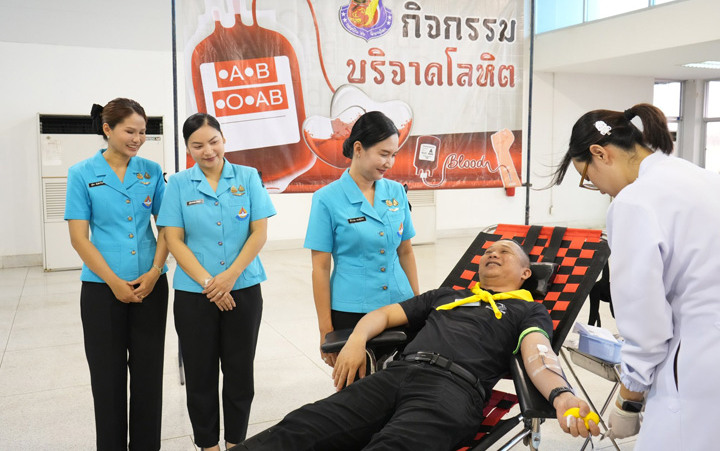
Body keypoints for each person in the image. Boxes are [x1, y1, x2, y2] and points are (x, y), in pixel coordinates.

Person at [235, 239, 600, 451]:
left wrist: (561, 395)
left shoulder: (528, 309)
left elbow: (538, 353)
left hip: (452, 391)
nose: (492, 253)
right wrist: (357, 339)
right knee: (301, 427)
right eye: (489, 250)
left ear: (525, 273)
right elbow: (385, 315)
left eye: (504, 252)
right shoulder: (448, 295)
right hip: (395, 375)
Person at [551, 103, 720, 450]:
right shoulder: (704, 178)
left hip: (695, 367)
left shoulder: (634, 202)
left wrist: (628, 400)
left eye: (588, 177)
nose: (598, 189)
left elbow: (646, 326)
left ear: (600, 153)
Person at [158, 113, 276, 451]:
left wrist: (230, 276)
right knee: (200, 375)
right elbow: (173, 239)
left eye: (213, 141)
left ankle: (236, 442)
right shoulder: (178, 184)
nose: (208, 150)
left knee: (240, 372)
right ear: (187, 148)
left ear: (224, 139)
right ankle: (208, 445)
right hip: (195, 295)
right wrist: (211, 283)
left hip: (243, 289)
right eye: (197, 145)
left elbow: (259, 232)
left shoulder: (248, 177)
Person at [65, 98, 169, 451]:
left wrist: (155, 272)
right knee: (107, 379)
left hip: (150, 286)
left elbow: (166, 228)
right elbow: (79, 238)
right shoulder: (82, 173)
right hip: (101, 290)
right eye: (130, 131)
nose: (138, 139)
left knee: (148, 376)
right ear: (107, 129)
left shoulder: (151, 171)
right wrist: (113, 282)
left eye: (143, 132)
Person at [304, 111, 420, 368]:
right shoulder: (327, 198)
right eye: (383, 154)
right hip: (351, 311)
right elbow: (320, 269)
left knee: (402, 382)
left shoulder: (396, 192)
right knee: (356, 386)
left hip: (398, 305)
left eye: (393, 155)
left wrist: (416, 303)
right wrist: (325, 330)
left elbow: (406, 252)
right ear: (358, 148)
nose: (389, 162)